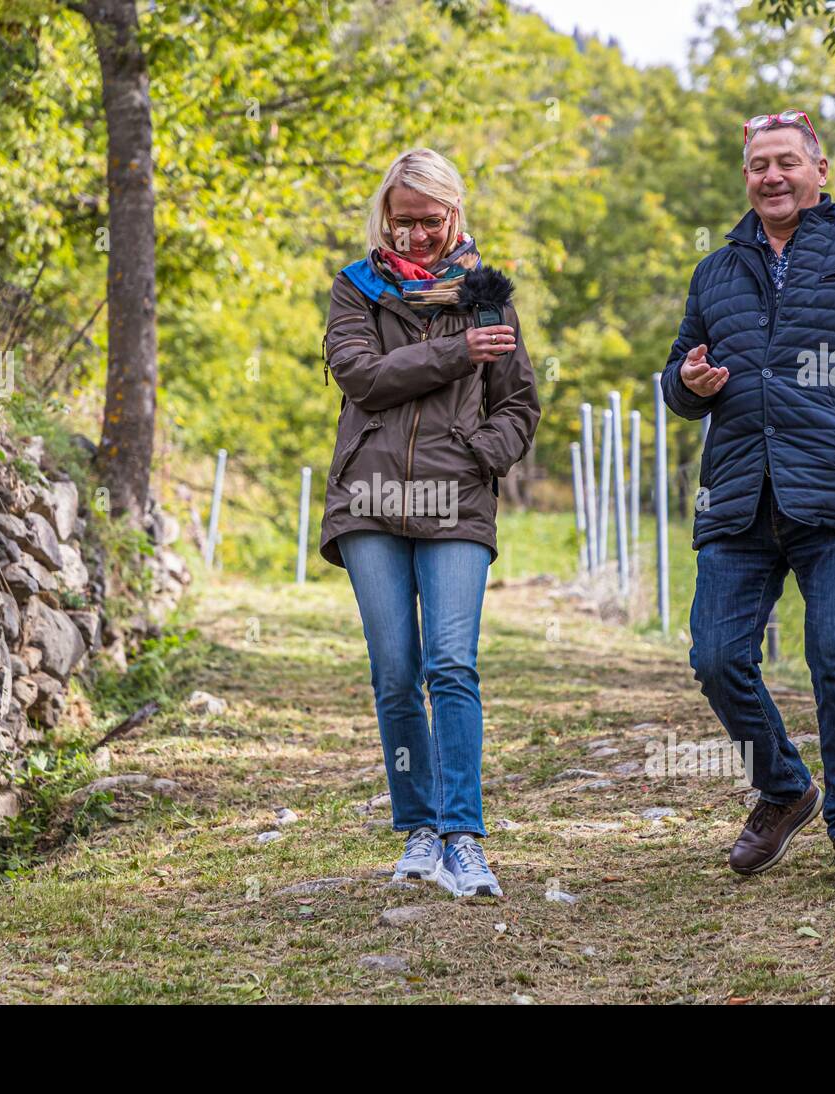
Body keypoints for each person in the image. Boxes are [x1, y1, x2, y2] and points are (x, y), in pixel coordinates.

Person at [660, 111, 835, 885]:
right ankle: (786, 790)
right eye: (758, 165)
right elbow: (680, 373)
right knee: (717, 658)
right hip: (738, 496)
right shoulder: (716, 270)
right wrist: (685, 384)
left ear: (821, 169)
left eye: (787, 161)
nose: (772, 176)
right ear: (746, 177)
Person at [318, 148, 540, 898]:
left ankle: (463, 836)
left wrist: (482, 454)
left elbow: (518, 403)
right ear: (385, 214)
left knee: (451, 665)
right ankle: (417, 829)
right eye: (401, 220)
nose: (414, 235)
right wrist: (455, 352)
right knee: (394, 672)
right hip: (370, 501)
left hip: (456, 500)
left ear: (454, 214)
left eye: (430, 220)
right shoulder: (356, 289)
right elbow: (362, 378)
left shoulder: (488, 296)